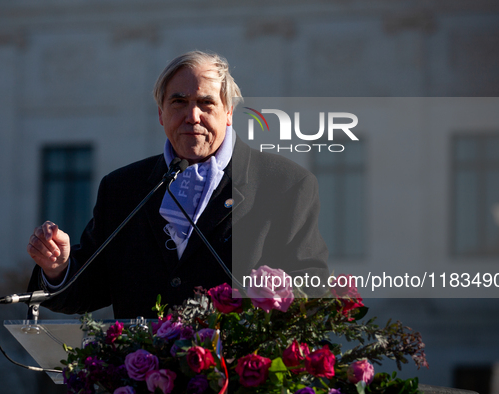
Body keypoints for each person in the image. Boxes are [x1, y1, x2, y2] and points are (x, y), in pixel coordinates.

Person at [27, 51, 328, 319]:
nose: (192, 116)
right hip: (144, 377)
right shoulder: (123, 188)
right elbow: (93, 288)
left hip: (240, 375)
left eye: (206, 103)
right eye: (179, 102)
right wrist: (58, 268)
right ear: (161, 113)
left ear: (229, 113)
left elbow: (310, 286)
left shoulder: (285, 184)